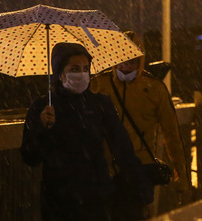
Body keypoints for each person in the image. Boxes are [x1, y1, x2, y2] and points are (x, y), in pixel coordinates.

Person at [22, 42, 155, 221]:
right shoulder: (43, 108)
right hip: (58, 201)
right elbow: (30, 157)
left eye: (86, 68)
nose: (82, 74)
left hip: (97, 198)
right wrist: (41, 128)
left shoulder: (100, 104)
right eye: (75, 69)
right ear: (60, 74)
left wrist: (142, 191)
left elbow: (123, 149)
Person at [91, 36, 191, 217]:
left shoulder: (154, 88)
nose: (126, 66)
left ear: (140, 60)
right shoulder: (99, 85)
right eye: (122, 59)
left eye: (132, 61)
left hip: (140, 170)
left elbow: (172, 135)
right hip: (105, 169)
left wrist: (181, 177)